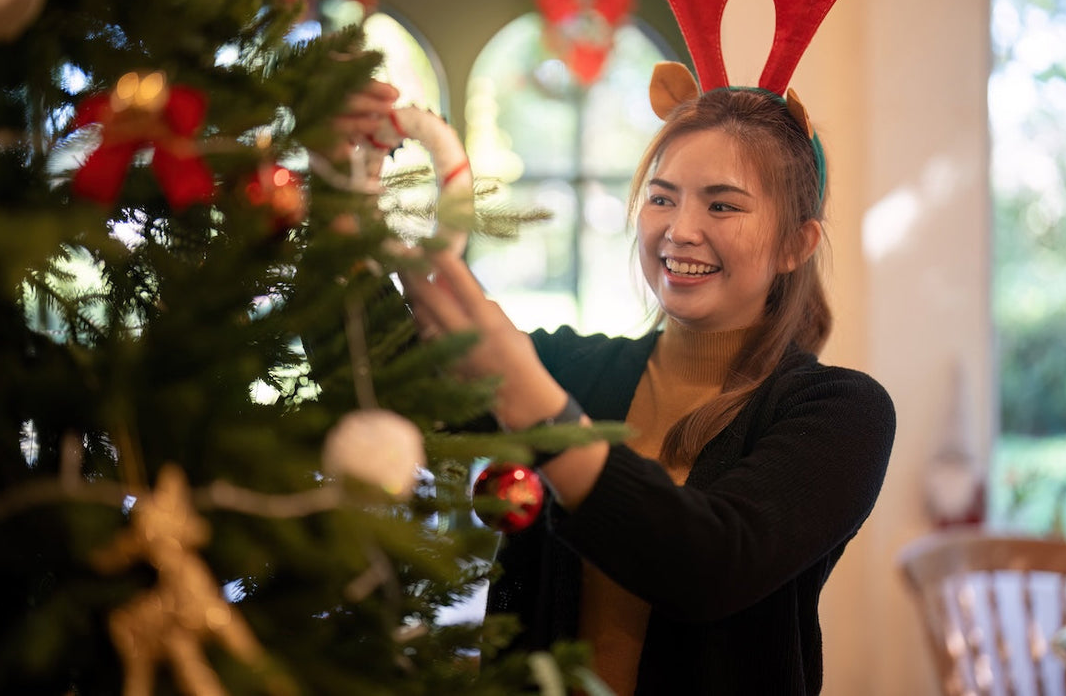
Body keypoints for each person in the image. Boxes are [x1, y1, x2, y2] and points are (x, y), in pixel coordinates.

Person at [348, 81, 895, 695]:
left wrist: (536, 407)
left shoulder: (843, 412)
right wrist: (339, 188)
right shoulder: (572, 368)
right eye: (662, 198)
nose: (680, 230)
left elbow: (709, 567)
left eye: (722, 206)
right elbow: (380, 382)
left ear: (797, 243)